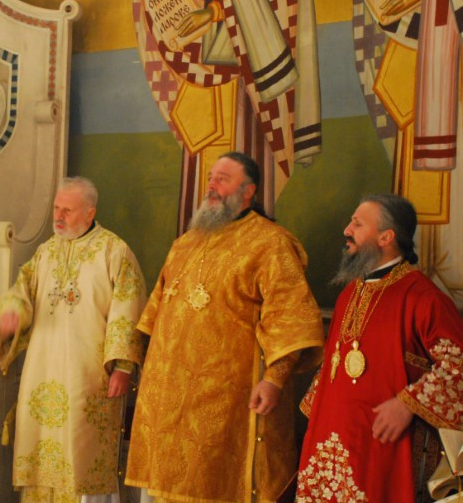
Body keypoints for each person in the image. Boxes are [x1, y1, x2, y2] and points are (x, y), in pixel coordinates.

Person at [125, 151, 324, 502]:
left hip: (225, 399)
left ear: (248, 191)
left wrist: (274, 378)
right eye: (211, 178)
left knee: (214, 483)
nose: (212, 185)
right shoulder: (184, 244)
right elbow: (153, 312)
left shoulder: (270, 243)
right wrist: (131, 364)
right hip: (166, 399)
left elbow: (290, 318)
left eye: (223, 179)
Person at [296, 194, 463, 502]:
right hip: (327, 445)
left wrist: (408, 403)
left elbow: (458, 367)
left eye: (357, 224)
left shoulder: (423, 297)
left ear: (386, 237)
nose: (346, 230)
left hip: (382, 451)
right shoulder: (349, 293)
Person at [0, 177, 146, 502]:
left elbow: (128, 308)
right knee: (40, 449)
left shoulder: (114, 251)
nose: (59, 216)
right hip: (42, 370)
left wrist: (122, 366)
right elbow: (22, 289)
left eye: (68, 210)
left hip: (88, 374)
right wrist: (13, 312)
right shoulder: (45, 251)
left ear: (90, 213)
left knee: (81, 451)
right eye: (56, 208)